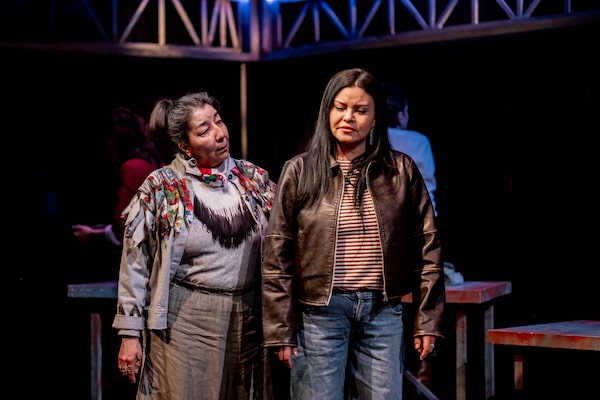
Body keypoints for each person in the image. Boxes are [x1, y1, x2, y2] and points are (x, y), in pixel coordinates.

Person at [261, 67, 446, 399]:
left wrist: (427, 319)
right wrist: (280, 328)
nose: (348, 117)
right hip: (319, 313)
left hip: (382, 313)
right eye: (340, 107)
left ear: (375, 118)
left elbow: (427, 245)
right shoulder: (300, 170)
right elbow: (277, 252)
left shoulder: (401, 170)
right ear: (327, 111)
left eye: (360, 110)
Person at [112, 91, 276, 400]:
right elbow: (134, 265)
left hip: (248, 319)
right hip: (186, 322)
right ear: (184, 145)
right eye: (204, 130)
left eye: (219, 121)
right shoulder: (162, 187)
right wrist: (130, 334)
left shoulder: (252, 179)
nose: (219, 133)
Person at [71, 106, 163, 268]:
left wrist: (92, 235)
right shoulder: (154, 163)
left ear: (115, 139)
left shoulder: (133, 168)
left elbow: (125, 228)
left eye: (106, 139)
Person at [382, 82, 438, 216]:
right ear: (400, 115)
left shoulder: (366, 139)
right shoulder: (418, 141)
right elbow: (427, 186)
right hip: (415, 217)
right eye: (406, 111)